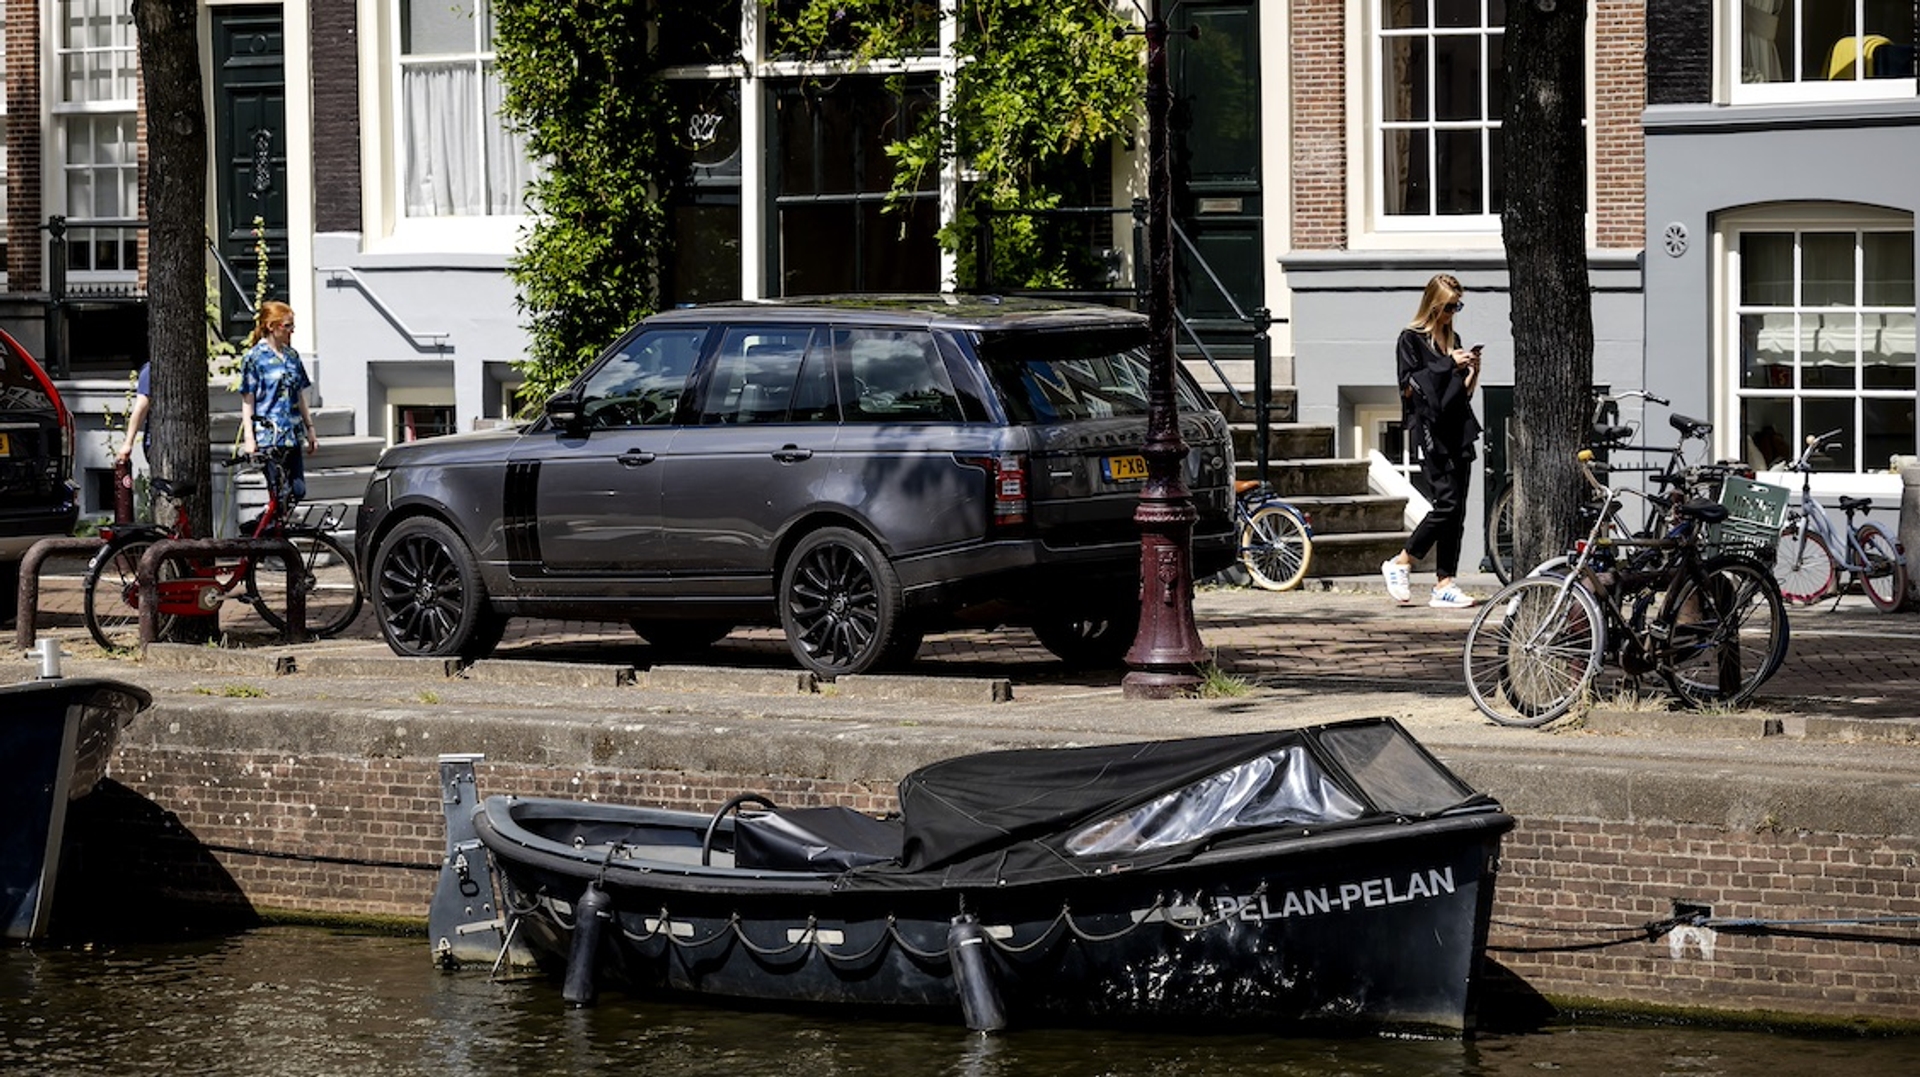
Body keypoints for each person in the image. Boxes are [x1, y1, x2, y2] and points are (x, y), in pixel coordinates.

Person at [1381, 273, 1483, 610]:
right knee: (1446, 504)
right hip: (1430, 430)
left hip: (1458, 428)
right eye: (1449, 307)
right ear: (1433, 305)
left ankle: (1444, 583)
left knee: (1458, 511)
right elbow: (1410, 388)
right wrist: (1447, 363)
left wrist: (1472, 372)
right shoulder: (1410, 340)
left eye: (1458, 306)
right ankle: (1402, 561)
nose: (1454, 312)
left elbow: (1460, 396)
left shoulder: (1453, 339)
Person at [239, 300, 318, 502]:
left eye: (293, 326)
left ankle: (272, 528)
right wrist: (250, 438)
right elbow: (248, 400)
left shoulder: (292, 356)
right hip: (269, 436)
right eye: (287, 326)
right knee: (278, 492)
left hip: (292, 433)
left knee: (297, 490)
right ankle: (270, 531)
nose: (291, 331)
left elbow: (300, 394)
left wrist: (310, 428)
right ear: (272, 326)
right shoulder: (255, 358)